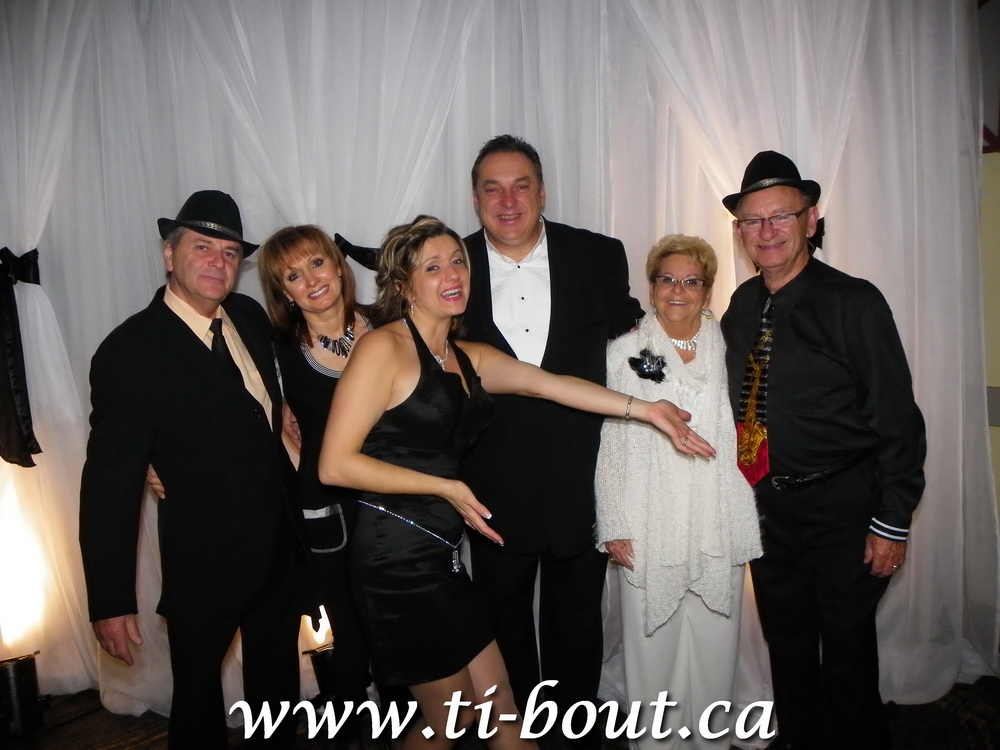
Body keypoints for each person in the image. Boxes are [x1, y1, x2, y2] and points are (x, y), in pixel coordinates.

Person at [317, 215, 713, 750]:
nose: (453, 274)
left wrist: (646, 409)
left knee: (500, 707)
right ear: (403, 285)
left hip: (441, 555)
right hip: (393, 557)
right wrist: (445, 488)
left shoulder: (466, 357)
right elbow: (335, 465)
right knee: (450, 720)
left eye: (458, 261)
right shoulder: (382, 349)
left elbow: (549, 385)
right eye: (433, 267)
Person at [79, 190, 301, 749]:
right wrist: (111, 602)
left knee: (278, 699)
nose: (218, 263)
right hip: (204, 565)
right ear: (168, 254)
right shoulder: (129, 352)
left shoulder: (248, 315)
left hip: (277, 550)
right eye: (202, 247)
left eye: (230, 253)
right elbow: (108, 485)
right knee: (198, 709)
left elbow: (256, 405)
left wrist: (281, 411)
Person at [719, 151, 926, 749]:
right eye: (752, 220)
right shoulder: (741, 305)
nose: (766, 231)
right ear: (741, 232)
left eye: (781, 216)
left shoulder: (854, 302)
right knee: (785, 644)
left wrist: (892, 520)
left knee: (846, 650)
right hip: (767, 509)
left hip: (844, 509)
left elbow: (897, 417)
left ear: (811, 220)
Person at [459, 135, 644, 743]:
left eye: (521, 186)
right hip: (489, 485)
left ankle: (573, 733)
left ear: (542, 192)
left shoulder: (598, 255)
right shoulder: (448, 266)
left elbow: (634, 346)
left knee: (577, 624)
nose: (508, 201)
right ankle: (517, 736)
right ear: (476, 199)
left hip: (582, 479)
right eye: (492, 188)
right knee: (502, 624)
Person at [595, 234, 762, 750]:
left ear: (708, 292)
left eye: (691, 281)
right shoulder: (626, 350)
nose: (677, 290)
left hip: (716, 517)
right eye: (667, 279)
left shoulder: (732, 347)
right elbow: (612, 441)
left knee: (716, 652)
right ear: (651, 287)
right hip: (649, 516)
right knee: (652, 656)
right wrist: (613, 523)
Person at [257, 224, 378, 743]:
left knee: (394, 618)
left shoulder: (388, 323)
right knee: (347, 628)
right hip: (326, 507)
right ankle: (349, 729)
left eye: (317, 263)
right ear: (284, 292)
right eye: (292, 275)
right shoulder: (277, 349)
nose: (310, 280)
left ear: (338, 266)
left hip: (393, 501)